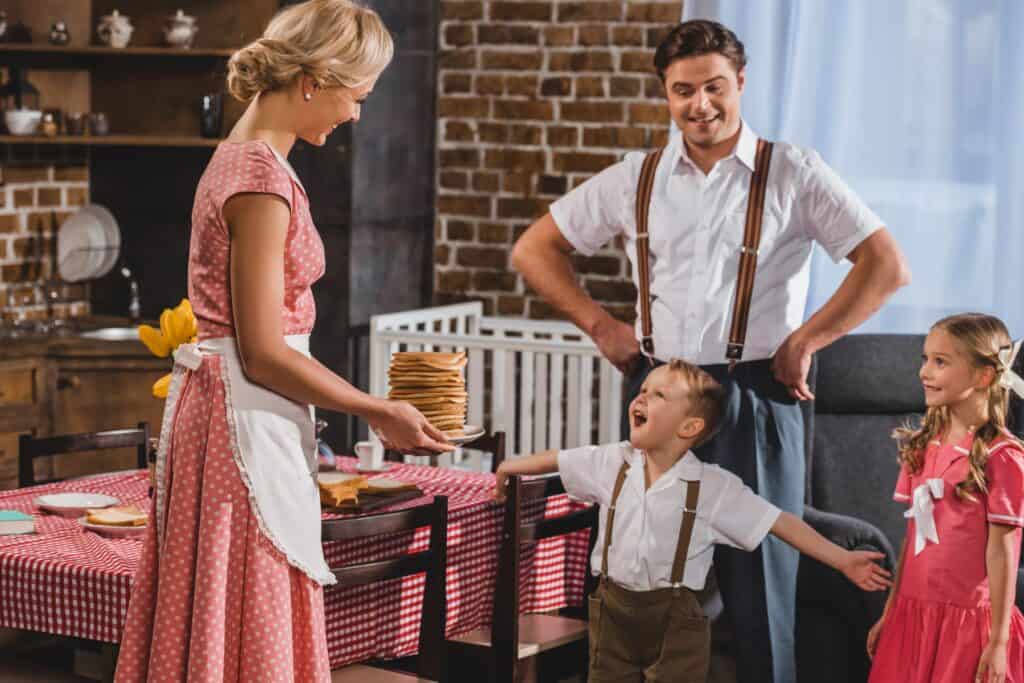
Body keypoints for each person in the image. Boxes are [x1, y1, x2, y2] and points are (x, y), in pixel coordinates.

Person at [510, 19, 911, 682]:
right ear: (665, 94)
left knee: (761, 585)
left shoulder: (793, 172)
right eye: (683, 90)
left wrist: (809, 338)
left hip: (753, 392)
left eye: (715, 87)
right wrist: (602, 326)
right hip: (656, 386)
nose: (701, 104)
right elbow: (534, 249)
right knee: (642, 572)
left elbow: (885, 264)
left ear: (741, 82)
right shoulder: (635, 178)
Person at [114, 2, 451, 681]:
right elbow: (265, 350)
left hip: (232, 411)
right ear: (311, 81)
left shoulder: (243, 160)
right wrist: (377, 408)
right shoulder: (260, 180)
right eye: (355, 97)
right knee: (255, 596)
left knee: (225, 611)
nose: (355, 114)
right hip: (241, 415)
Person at [495, 360, 892, 682]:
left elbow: (778, 521)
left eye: (659, 395)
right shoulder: (611, 462)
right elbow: (560, 458)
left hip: (676, 626)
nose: (641, 398)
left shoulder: (712, 487)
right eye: (643, 389)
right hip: (612, 612)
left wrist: (842, 559)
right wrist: (510, 467)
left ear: (689, 427)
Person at [867, 313, 1024, 683]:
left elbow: (1003, 552)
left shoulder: (1003, 457)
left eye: (940, 362)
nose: (925, 372)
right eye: (925, 359)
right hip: (912, 616)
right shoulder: (923, 446)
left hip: (969, 625)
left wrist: (998, 641)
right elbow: (913, 540)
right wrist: (891, 611)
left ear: (984, 376)